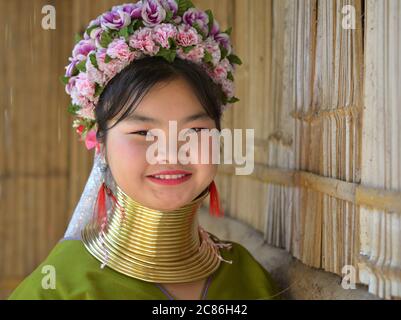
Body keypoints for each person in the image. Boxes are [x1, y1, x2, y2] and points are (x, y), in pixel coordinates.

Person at [8, 0, 279, 300]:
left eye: (195, 131)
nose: (170, 153)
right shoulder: (60, 288)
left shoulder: (248, 277)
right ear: (102, 147)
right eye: (143, 132)